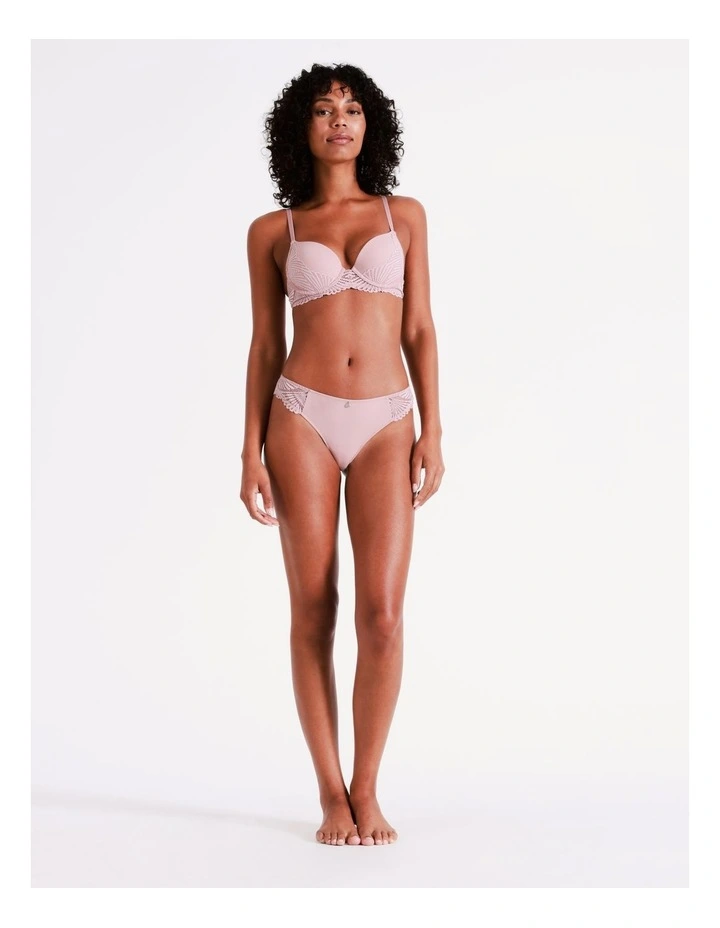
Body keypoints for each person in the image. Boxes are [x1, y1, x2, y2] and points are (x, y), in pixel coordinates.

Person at [240, 63, 444, 847]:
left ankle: (367, 786)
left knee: (382, 615)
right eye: (325, 109)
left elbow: (419, 328)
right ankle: (330, 792)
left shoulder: (405, 215)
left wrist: (434, 429)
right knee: (314, 607)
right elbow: (266, 345)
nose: (339, 120)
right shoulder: (274, 231)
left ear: (370, 126)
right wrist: (249, 449)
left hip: (389, 419)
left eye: (352, 109)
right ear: (303, 128)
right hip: (300, 417)